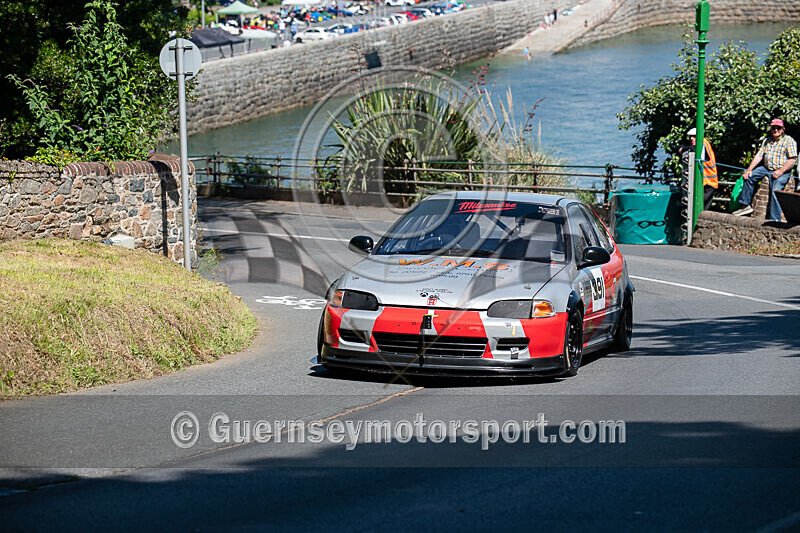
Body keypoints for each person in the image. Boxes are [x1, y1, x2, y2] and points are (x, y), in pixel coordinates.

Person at [733, 119, 798, 220]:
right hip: (766, 168)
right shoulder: (767, 141)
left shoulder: (789, 141)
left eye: (778, 128)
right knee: (749, 177)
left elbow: (792, 159)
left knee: (776, 190)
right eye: (773, 128)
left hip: (782, 170)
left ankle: (774, 219)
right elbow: (759, 156)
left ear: (783, 129)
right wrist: (749, 169)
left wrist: (780, 171)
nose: (775, 130)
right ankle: (744, 206)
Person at [678, 127, 718, 210]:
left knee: (699, 206)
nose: (692, 138)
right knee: (700, 207)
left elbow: (697, 153)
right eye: (690, 137)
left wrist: (684, 148)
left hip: (709, 182)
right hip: (705, 181)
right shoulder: (702, 143)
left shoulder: (702, 144)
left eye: (694, 136)